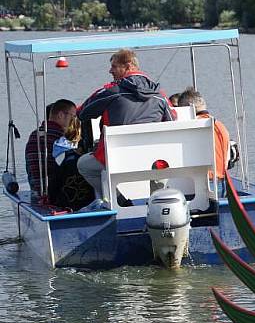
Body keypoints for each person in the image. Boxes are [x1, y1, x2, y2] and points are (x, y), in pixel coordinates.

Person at [76, 48, 175, 206]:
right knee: (161, 160)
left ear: (128, 66)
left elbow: (82, 113)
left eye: (114, 67)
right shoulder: (160, 95)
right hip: (153, 160)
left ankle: (120, 202)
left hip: (119, 160)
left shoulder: (112, 92)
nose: (110, 70)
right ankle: (158, 202)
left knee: (84, 165)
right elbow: (172, 121)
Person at [177, 87, 231, 195]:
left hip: (202, 183)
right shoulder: (220, 125)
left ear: (187, 109)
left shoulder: (196, 126)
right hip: (221, 181)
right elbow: (228, 158)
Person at [24, 99, 76, 203]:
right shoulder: (61, 139)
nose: (74, 121)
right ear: (61, 115)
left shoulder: (34, 135)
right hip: (54, 196)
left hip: (36, 191)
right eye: (73, 116)